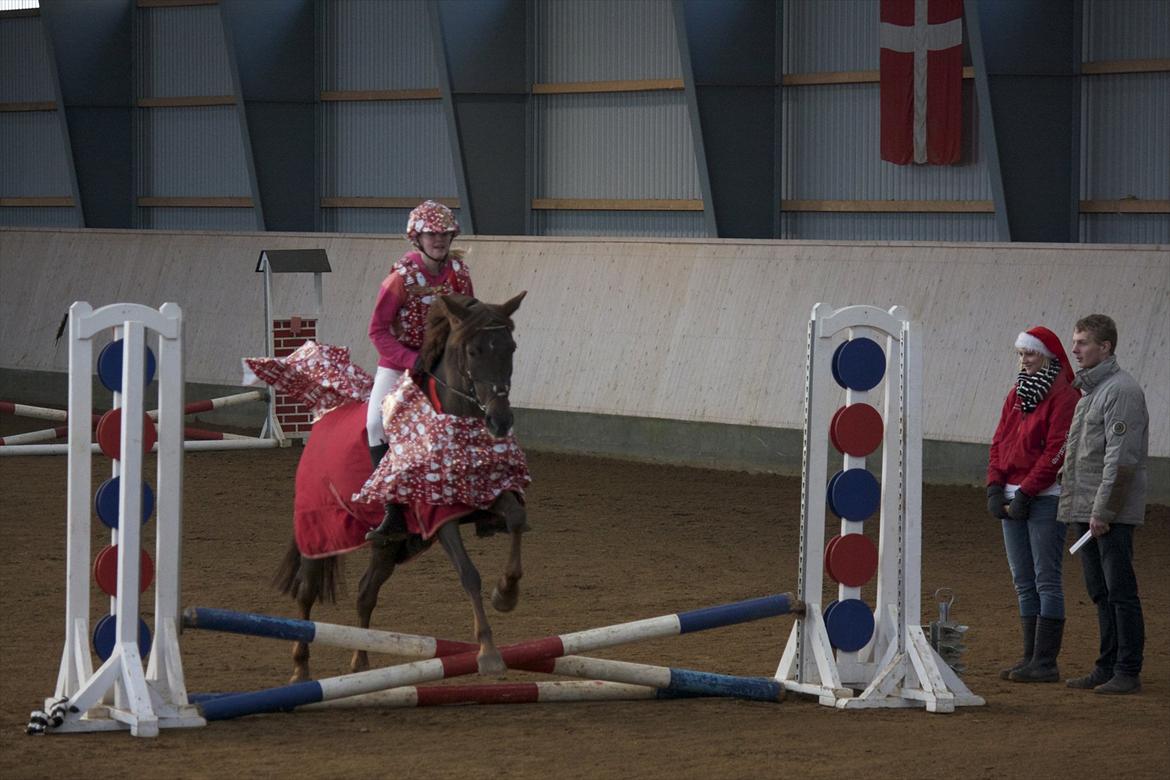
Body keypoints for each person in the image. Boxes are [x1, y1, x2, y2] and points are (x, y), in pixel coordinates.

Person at [364, 200, 473, 545]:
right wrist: (411, 360)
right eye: (431, 234)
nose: (439, 240)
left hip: (445, 362)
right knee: (376, 424)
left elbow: (468, 318)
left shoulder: (459, 273)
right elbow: (377, 331)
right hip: (400, 365)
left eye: (444, 234)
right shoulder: (400, 278)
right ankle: (393, 511)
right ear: (418, 238)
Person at [1060, 314, 1148, 695]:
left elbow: (1120, 459)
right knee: (1101, 590)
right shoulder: (1093, 392)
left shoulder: (1120, 392)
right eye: (1075, 342)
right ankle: (1108, 665)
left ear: (1105, 346)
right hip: (1090, 509)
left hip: (1108, 514)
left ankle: (1127, 668)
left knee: (1120, 591)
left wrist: (1104, 511)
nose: (1075, 349)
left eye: (1082, 342)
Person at [986, 326, 1078, 683]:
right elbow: (999, 441)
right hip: (1013, 493)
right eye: (1021, 354)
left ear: (1047, 356)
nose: (1024, 360)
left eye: (1030, 354)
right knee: (1023, 579)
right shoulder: (1017, 394)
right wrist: (995, 485)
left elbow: (1058, 450)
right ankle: (1031, 656)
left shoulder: (1064, 396)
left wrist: (1027, 491)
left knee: (1046, 578)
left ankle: (1045, 661)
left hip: (1044, 497)